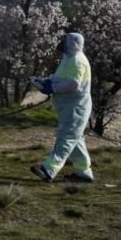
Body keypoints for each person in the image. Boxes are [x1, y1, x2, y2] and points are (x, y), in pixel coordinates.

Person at [29, 32, 94, 182]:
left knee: (66, 138)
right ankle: (83, 172)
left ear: (72, 43)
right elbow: (61, 79)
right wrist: (46, 82)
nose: (61, 43)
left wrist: (53, 88)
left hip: (76, 108)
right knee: (75, 139)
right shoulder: (68, 59)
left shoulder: (77, 60)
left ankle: (48, 169)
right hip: (68, 107)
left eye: (64, 40)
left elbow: (73, 84)